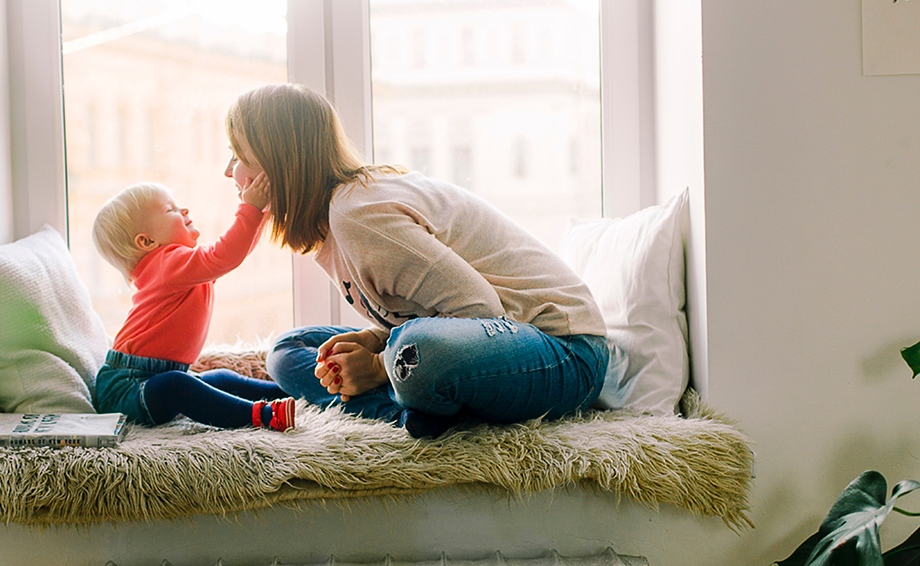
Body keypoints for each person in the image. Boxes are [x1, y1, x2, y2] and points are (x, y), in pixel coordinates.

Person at [222, 83, 609, 438]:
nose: (229, 171)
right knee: (290, 349)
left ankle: (407, 400)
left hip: (564, 352)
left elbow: (481, 310)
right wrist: (378, 342)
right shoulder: (332, 223)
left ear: (280, 163)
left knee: (416, 351)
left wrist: (376, 366)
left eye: (239, 156)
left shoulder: (357, 213)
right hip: (487, 343)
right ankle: (414, 411)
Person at [91, 177, 295, 431]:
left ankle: (291, 392)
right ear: (146, 242)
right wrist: (251, 209)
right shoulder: (167, 264)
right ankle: (261, 415)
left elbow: (233, 254)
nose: (184, 210)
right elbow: (226, 255)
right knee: (177, 386)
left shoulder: (179, 267)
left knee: (220, 378)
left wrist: (261, 213)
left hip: (153, 377)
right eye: (170, 210)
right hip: (126, 388)